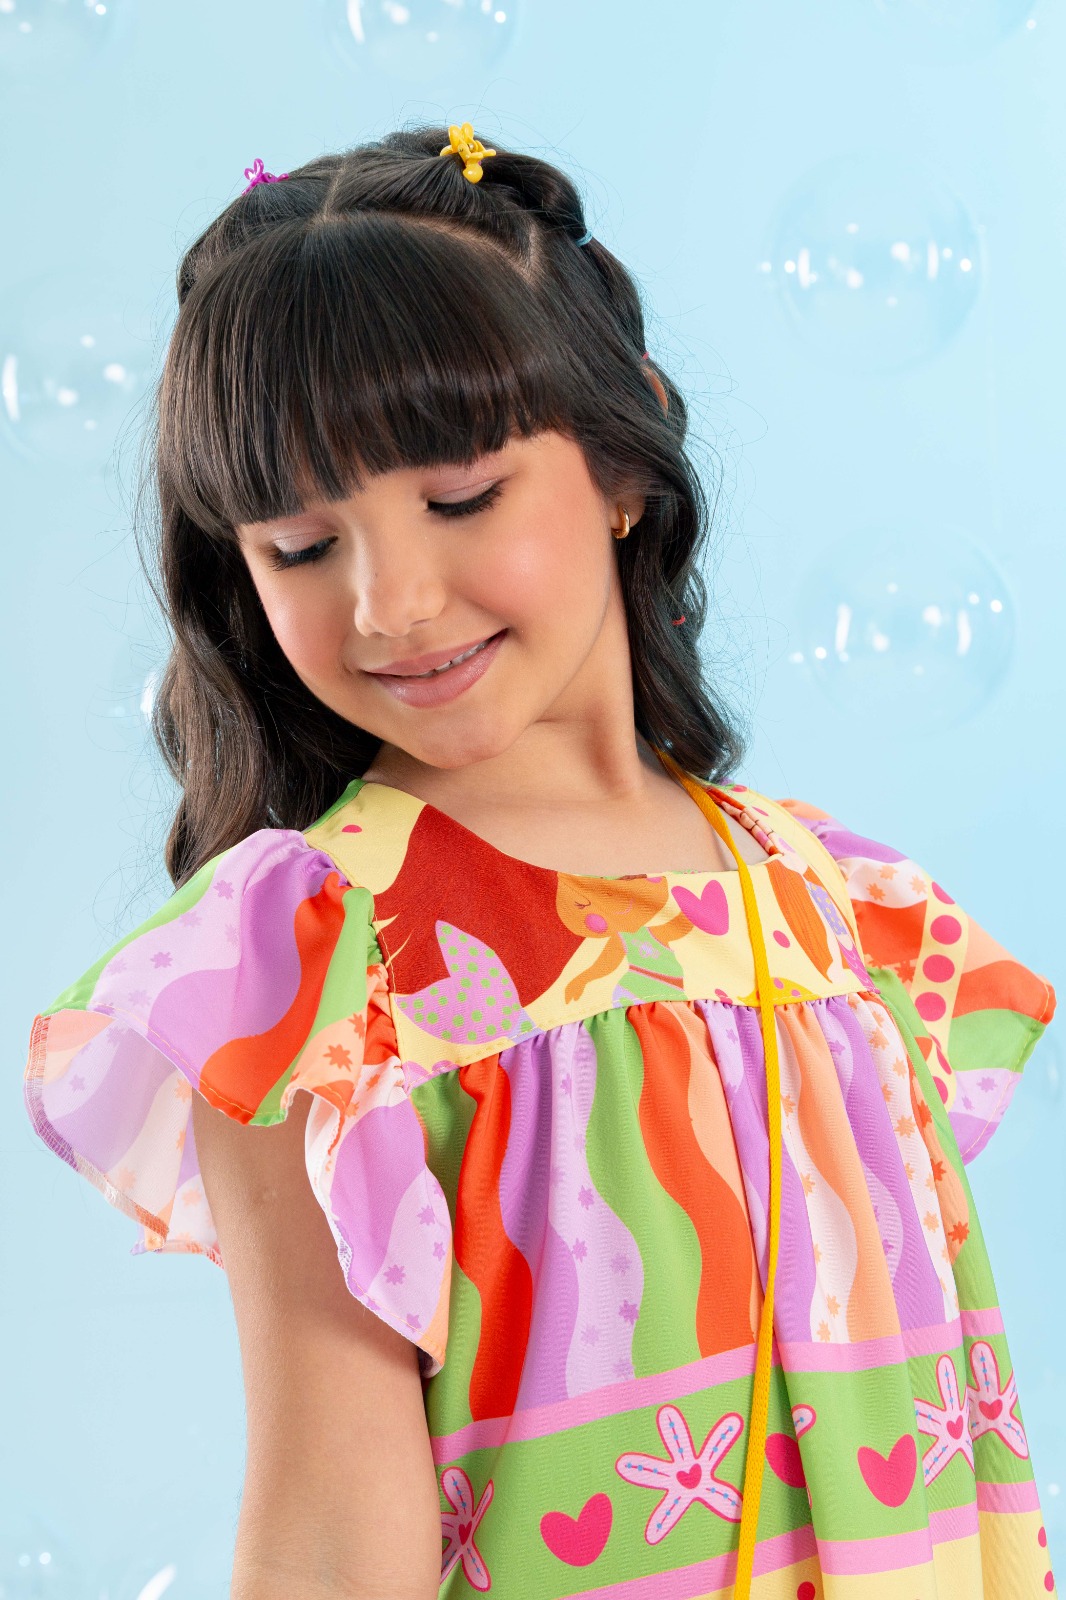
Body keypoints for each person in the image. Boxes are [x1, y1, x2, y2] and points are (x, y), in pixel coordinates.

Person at [23, 122, 1059, 1600]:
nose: (390, 603)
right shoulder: (320, 963)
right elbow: (331, 1517)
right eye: (302, 546)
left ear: (624, 454)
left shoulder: (840, 903)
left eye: (459, 498)